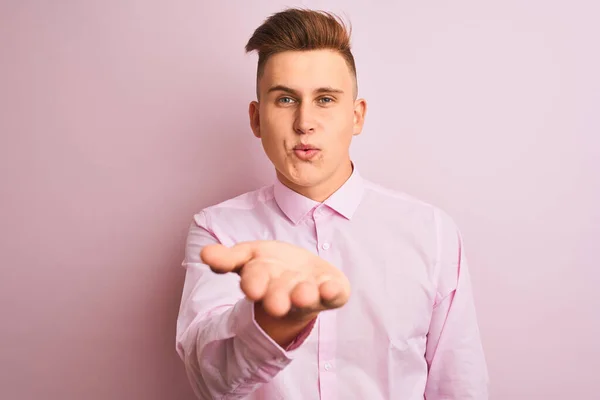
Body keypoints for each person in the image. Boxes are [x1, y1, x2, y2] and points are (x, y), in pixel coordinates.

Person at [175, 7, 489, 400]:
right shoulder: (217, 232)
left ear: (356, 116)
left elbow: (459, 387)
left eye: (325, 99)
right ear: (256, 120)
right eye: (285, 99)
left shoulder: (432, 233)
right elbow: (209, 381)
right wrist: (267, 325)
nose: (304, 122)